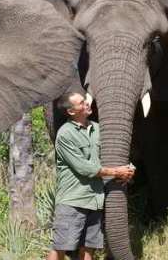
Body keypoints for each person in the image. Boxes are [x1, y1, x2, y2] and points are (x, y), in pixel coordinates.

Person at [47, 92, 135, 260]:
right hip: (73, 201)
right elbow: (84, 168)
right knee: (61, 248)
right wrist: (117, 172)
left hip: (95, 201)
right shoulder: (65, 134)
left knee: (89, 249)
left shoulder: (96, 129)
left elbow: (111, 153)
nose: (87, 103)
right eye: (81, 103)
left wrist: (129, 169)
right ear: (72, 111)